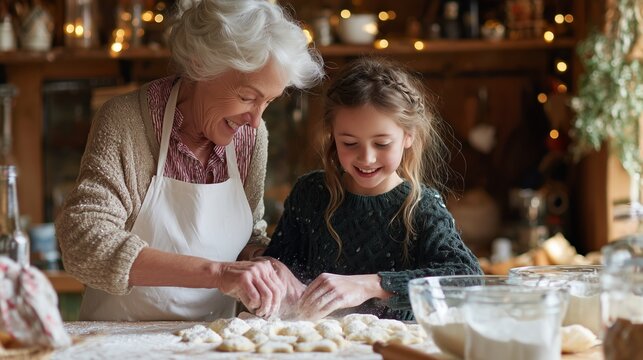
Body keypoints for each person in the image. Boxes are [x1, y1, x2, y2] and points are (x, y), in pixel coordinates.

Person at [55, 0, 324, 321]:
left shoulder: (252, 136)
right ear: (200, 66)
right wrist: (218, 272)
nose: (255, 119)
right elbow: (83, 243)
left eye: (267, 102)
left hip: (211, 342)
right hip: (121, 340)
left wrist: (265, 263)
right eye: (247, 97)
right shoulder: (129, 121)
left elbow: (247, 234)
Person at [264, 57, 482, 320]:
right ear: (333, 136)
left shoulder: (422, 207)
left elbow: (467, 278)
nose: (366, 158)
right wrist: (273, 272)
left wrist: (369, 285)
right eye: (349, 143)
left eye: (381, 144)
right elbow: (276, 268)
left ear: (408, 136)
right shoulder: (310, 193)